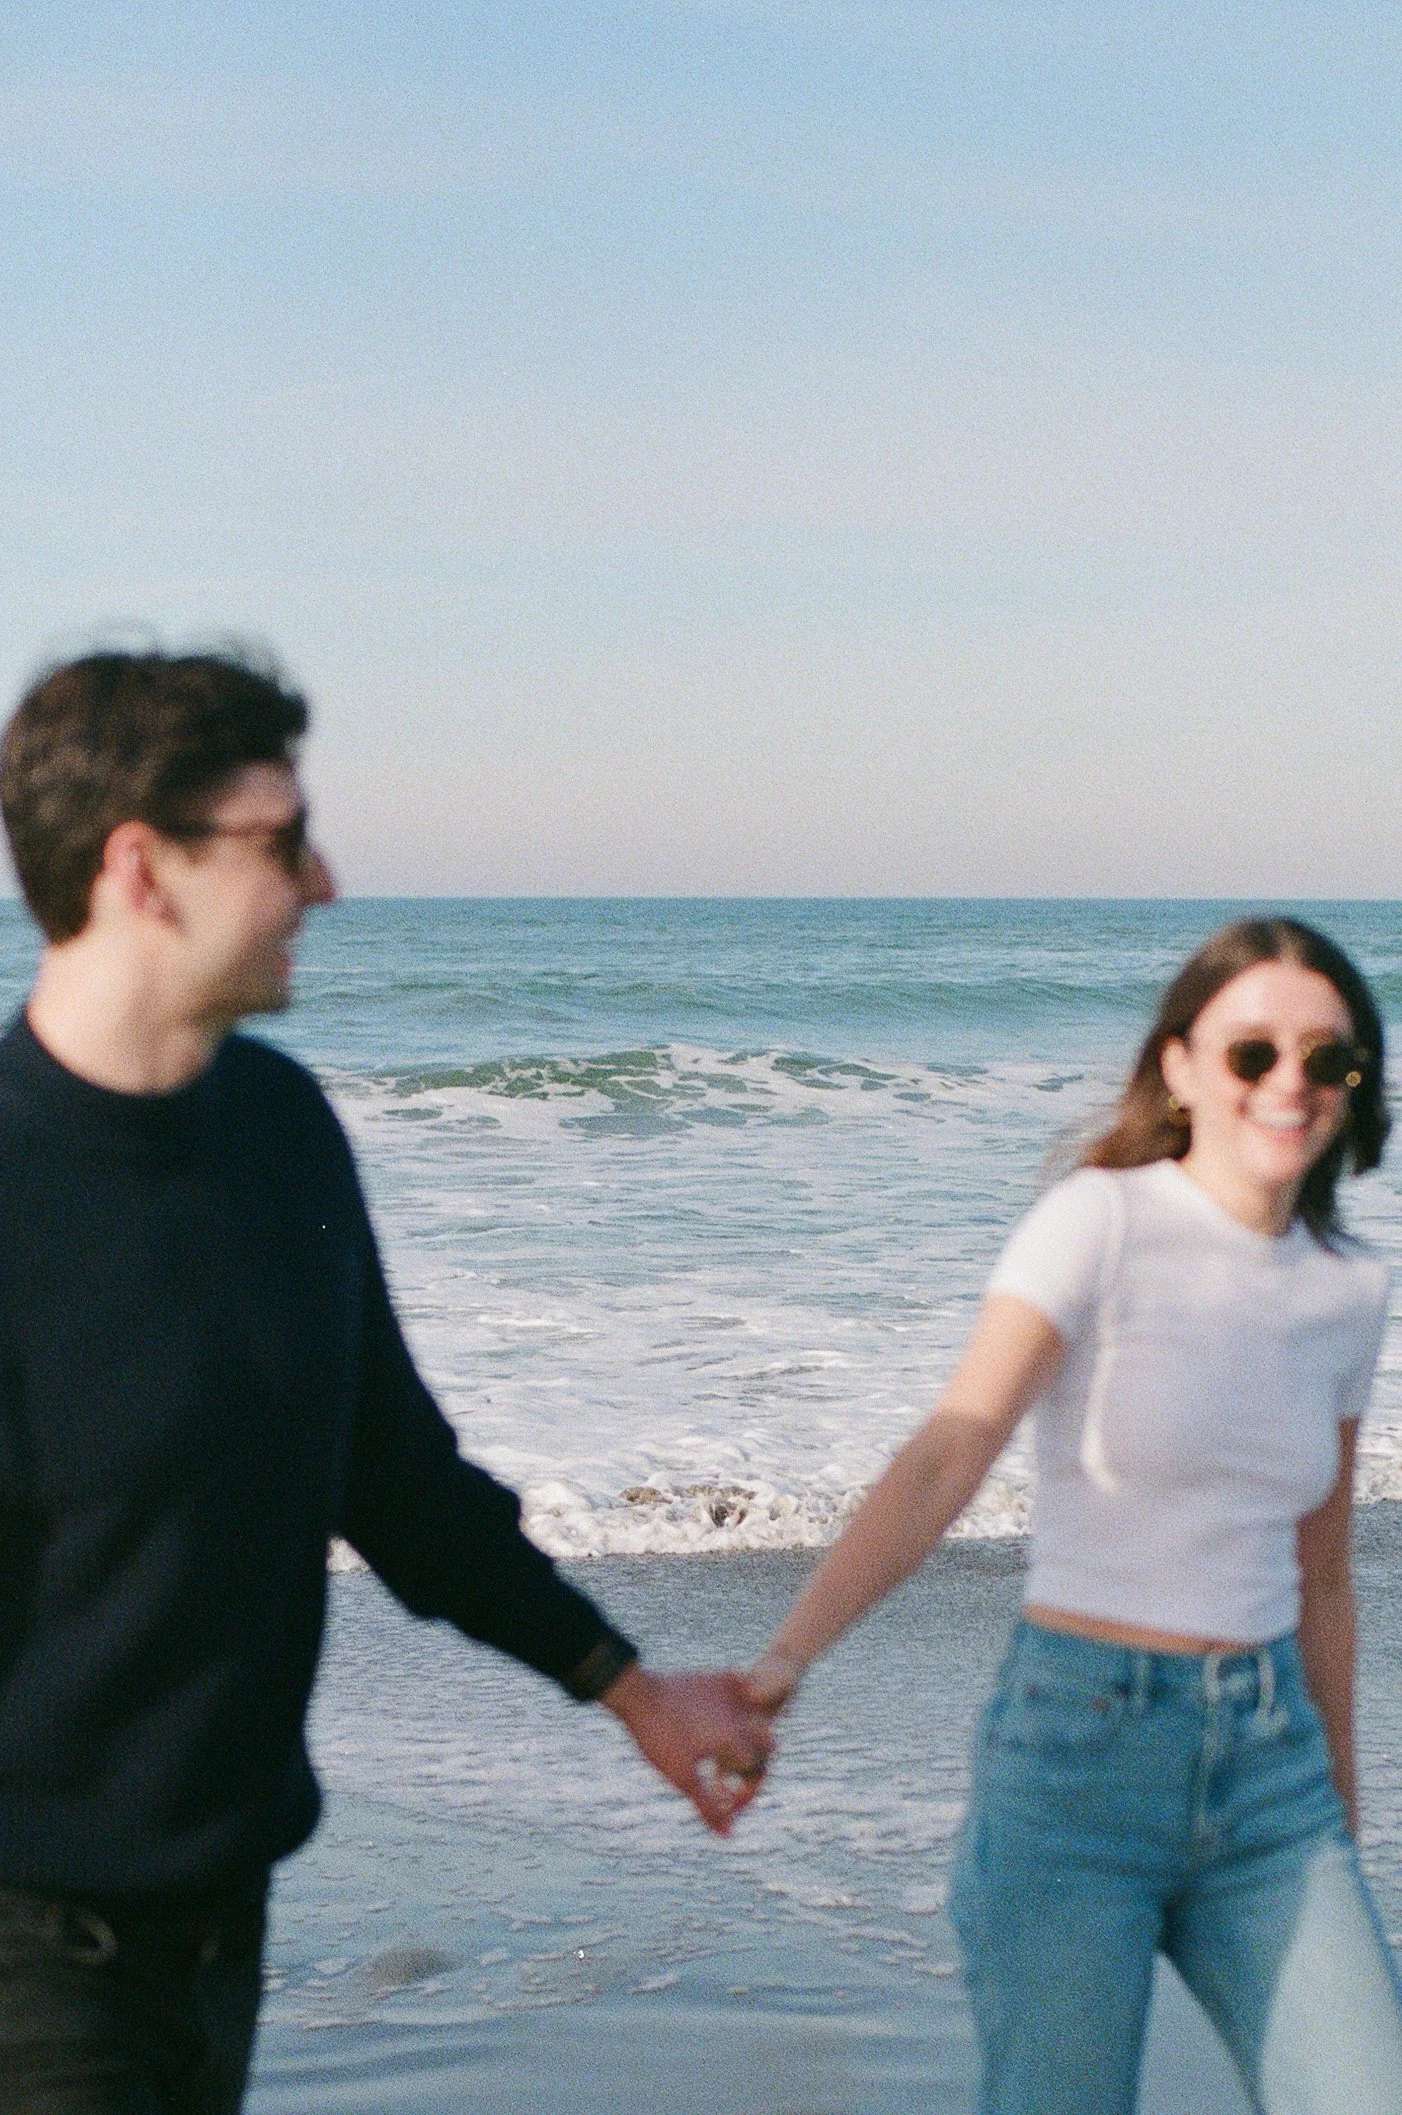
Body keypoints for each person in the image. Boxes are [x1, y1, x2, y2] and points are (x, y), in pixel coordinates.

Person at [0, 647, 771, 2115]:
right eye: (282, 839)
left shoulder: (282, 1132)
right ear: (140, 868)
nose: (327, 880)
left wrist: (629, 1688)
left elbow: (397, 1477)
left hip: (222, 1931)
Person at [747, 917, 1402, 2114]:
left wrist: (1343, 1830)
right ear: (1181, 1067)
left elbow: (1321, 1579)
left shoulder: (1349, 1289)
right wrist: (790, 1655)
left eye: (1330, 1059)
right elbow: (949, 1453)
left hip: (1272, 1783)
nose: (1291, 1083)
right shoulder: (1098, 1222)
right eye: (1253, 1052)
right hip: (1077, 1763)